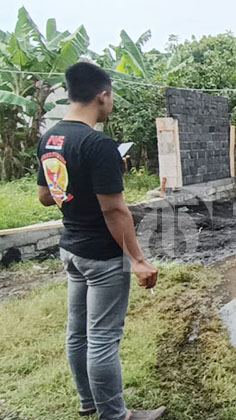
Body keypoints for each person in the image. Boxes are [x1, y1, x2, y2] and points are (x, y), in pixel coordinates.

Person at [36, 62, 166, 420]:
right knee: (104, 338)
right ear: (102, 95)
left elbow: (47, 197)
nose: (111, 103)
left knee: (78, 333)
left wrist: (78, 188)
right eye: (111, 97)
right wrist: (138, 259)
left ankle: (88, 402)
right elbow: (115, 212)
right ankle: (116, 415)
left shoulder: (49, 139)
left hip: (72, 250)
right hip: (103, 256)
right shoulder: (97, 144)